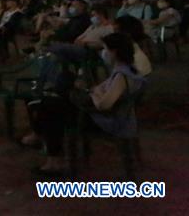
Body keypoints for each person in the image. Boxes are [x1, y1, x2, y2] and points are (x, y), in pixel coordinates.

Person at [25, 33, 145, 175]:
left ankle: (53, 159)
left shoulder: (121, 76)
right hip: (111, 117)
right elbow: (99, 90)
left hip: (108, 121)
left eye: (105, 49)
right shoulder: (127, 71)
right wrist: (94, 91)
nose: (103, 53)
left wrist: (94, 93)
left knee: (51, 108)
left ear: (115, 52)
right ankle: (50, 153)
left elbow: (103, 104)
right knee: (53, 103)